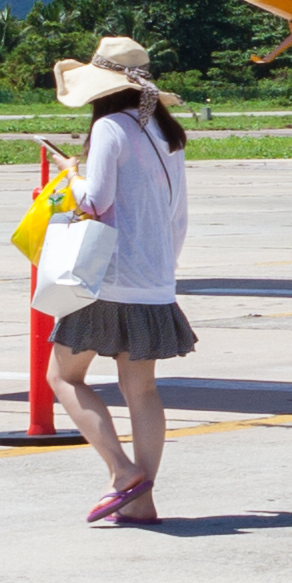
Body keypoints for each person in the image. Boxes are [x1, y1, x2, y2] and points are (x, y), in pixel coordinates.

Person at [49, 32, 195, 524]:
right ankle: (143, 501)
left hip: (108, 278)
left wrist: (71, 172)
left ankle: (120, 471)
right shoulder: (165, 132)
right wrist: (162, 270)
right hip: (155, 280)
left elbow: (95, 202)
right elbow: (179, 216)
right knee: (143, 392)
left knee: (64, 377)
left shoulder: (112, 127)